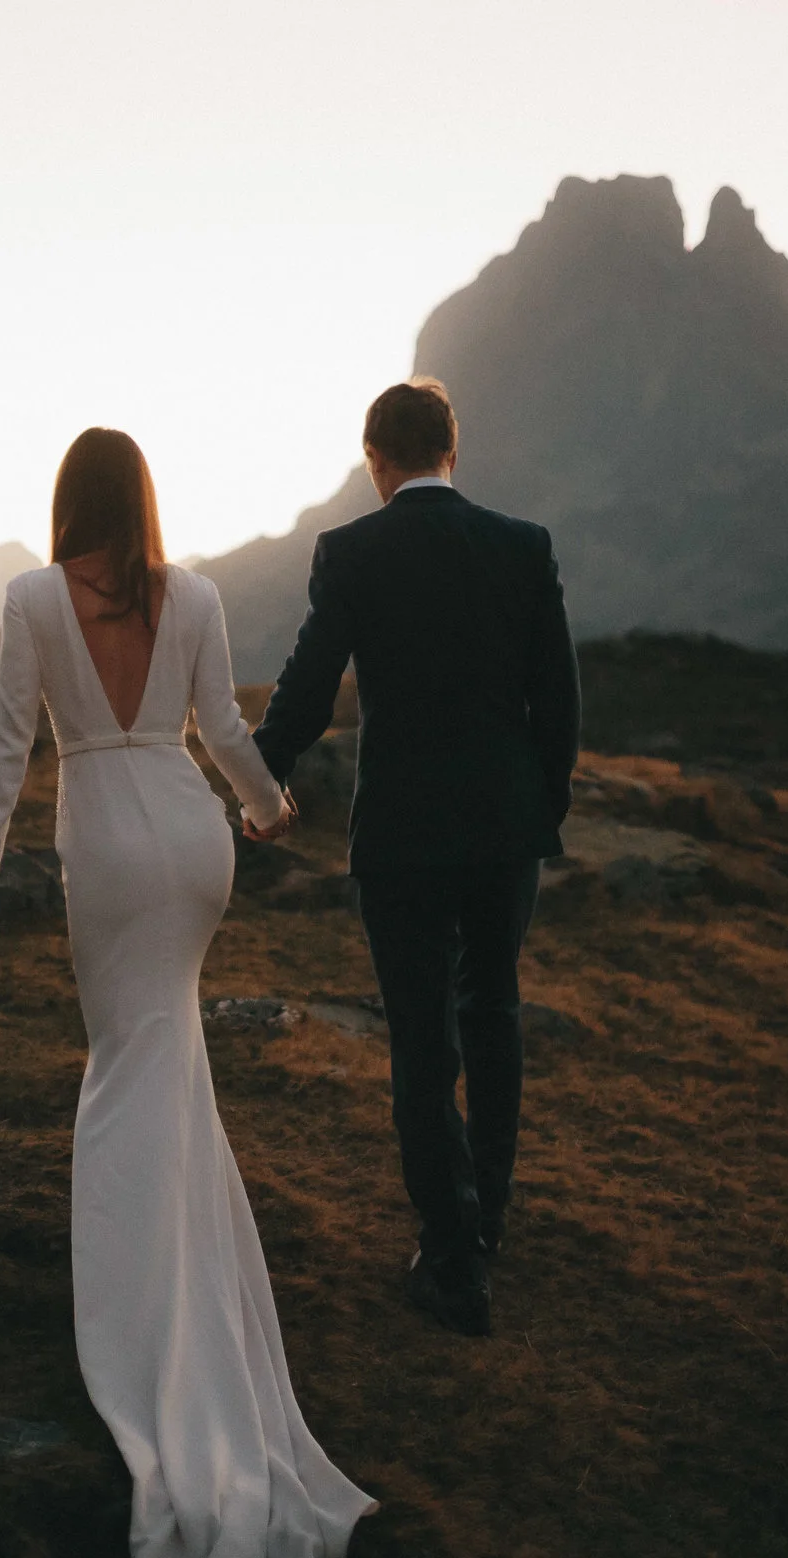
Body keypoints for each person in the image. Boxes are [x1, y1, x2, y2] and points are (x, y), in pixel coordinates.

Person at [0, 427, 375, 1558]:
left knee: (124, 1070)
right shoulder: (188, 594)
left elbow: (7, 741)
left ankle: (150, 1322)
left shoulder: (34, 597)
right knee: (164, 1061)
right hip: (191, 844)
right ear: (141, 496)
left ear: (62, 500)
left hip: (107, 844)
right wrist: (265, 806)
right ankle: (190, 1276)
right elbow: (224, 732)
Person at [251, 378, 580, 1338]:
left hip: (400, 836)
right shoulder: (524, 548)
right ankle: (492, 1219)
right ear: (452, 450)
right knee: (494, 1009)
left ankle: (452, 1258)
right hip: (503, 832)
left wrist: (255, 780)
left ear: (375, 462)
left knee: (421, 1039)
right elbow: (556, 700)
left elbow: (310, 690)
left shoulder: (353, 552)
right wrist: (541, 806)